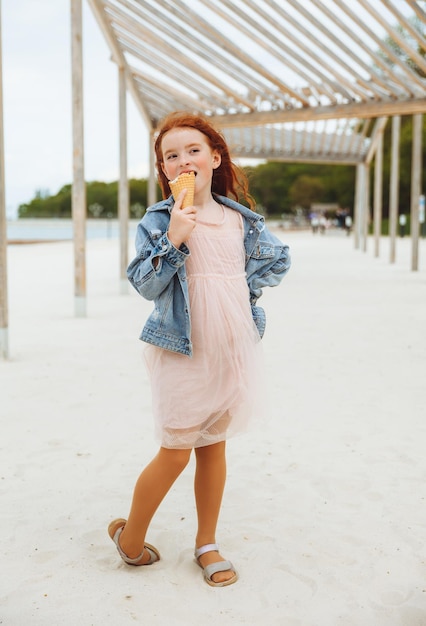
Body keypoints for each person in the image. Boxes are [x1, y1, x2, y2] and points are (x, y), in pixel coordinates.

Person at [108, 112, 291, 587]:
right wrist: (173, 239)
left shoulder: (238, 219)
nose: (183, 161)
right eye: (171, 156)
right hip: (182, 347)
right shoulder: (159, 219)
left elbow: (274, 261)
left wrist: (244, 294)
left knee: (214, 449)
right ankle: (131, 539)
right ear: (165, 170)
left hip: (232, 347)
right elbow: (145, 285)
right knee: (175, 451)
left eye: (193, 151)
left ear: (214, 157)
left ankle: (206, 543)